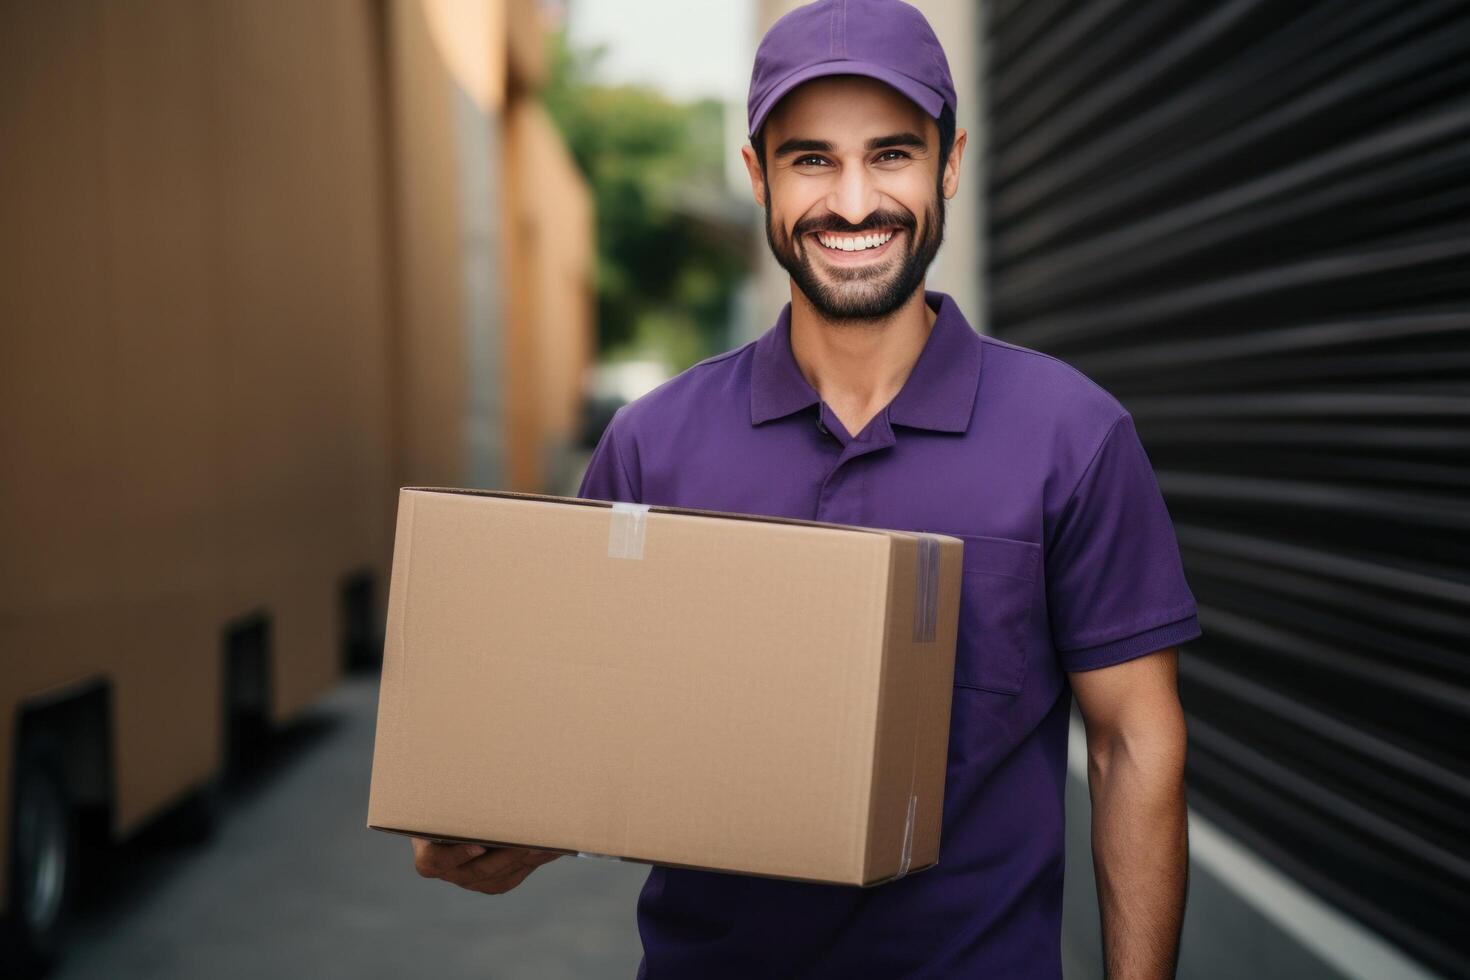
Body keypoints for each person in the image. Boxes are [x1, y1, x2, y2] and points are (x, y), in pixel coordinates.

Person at [413, 1, 1201, 977]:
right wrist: (504, 834)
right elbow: (588, 740)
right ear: (758, 176)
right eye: (813, 160)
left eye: (892, 154)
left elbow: (1133, 741)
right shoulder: (653, 446)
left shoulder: (1072, 436)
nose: (856, 202)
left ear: (950, 162)